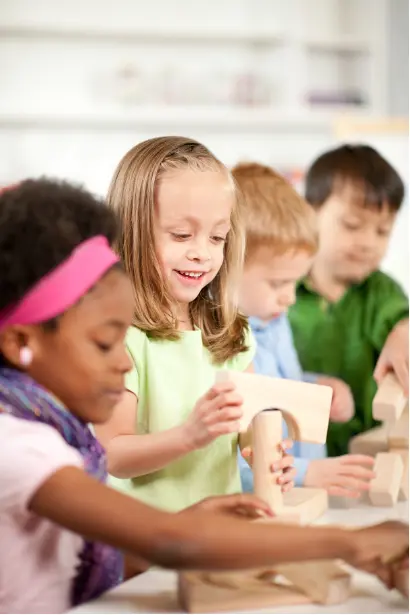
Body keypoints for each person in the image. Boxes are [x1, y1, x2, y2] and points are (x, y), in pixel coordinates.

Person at [1, 179, 407, 614]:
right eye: (104, 343)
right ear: (21, 341)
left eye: (217, 236)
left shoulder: (47, 433)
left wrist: (188, 523)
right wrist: (349, 543)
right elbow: (169, 543)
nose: (123, 363)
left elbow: (96, 559)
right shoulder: (19, 448)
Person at [96, 137, 295, 512]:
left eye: (217, 237)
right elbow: (113, 454)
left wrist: (265, 454)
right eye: (182, 235)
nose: (202, 252)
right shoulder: (119, 338)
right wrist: (188, 436)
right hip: (143, 546)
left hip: (216, 536)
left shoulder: (230, 332)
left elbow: (248, 424)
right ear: (133, 233)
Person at [232, 162, 376, 498]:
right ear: (228, 266)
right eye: (278, 282)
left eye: (296, 281)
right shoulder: (222, 343)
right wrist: (307, 473)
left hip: (305, 496)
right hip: (268, 503)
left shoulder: (274, 320)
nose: (291, 296)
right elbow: (227, 459)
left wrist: (317, 387)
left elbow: (280, 390)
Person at [288, 145, 409, 456]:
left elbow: (403, 321)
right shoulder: (281, 288)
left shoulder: (381, 292)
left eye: (383, 231)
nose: (368, 242)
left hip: (366, 453)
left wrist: (403, 332)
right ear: (309, 212)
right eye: (352, 225)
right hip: (295, 457)